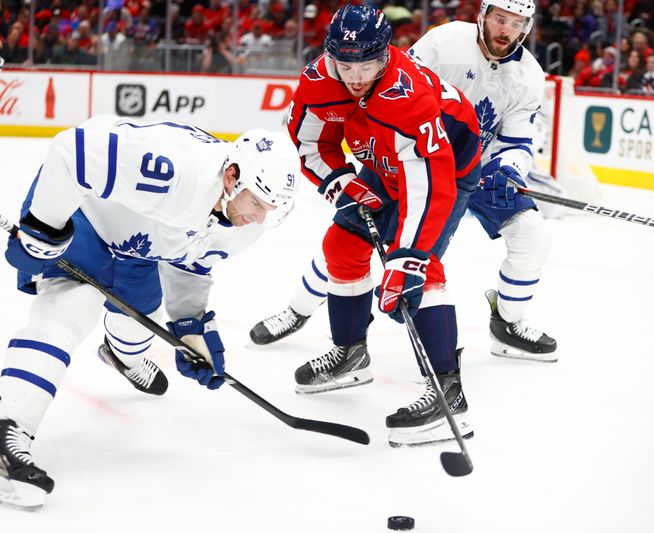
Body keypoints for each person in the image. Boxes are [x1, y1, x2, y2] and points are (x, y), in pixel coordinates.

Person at [0, 115, 300, 509]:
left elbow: (191, 263)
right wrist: (44, 225)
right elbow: (72, 152)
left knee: (145, 319)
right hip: (85, 215)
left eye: (272, 208)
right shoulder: (176, 171)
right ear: (231, 177)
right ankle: (12, 425)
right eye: (257, 204)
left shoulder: (247, 221)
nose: (259, 217)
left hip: (140, 243)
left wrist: (191, 329)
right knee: (71, 308)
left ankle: (121, 356)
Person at [251, 0, 558, 363]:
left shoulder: (530, 75)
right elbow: (392, 90)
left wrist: (509, 168)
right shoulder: (446, 40)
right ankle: (300, 308)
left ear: (526, 27)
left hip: (476, 167)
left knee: (530, 233)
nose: (506, 29)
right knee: (353, 230)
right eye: (500, 19)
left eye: (516, 22)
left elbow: (518, 141)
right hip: (405, 153)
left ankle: (508, 323)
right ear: (484, 16)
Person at [275, 4, 482, 447]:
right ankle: (351, 354)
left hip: (443, 170)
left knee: (419, 268)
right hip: (381, 164)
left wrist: (406, 258)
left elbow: (430, 184)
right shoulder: (318, 81)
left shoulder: (407, 96)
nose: (354, 75)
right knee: (341, 245)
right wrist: (337, 179)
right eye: (344, 63)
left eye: (366, 63)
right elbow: (310, 140)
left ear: (385, 54)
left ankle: (449, 391)